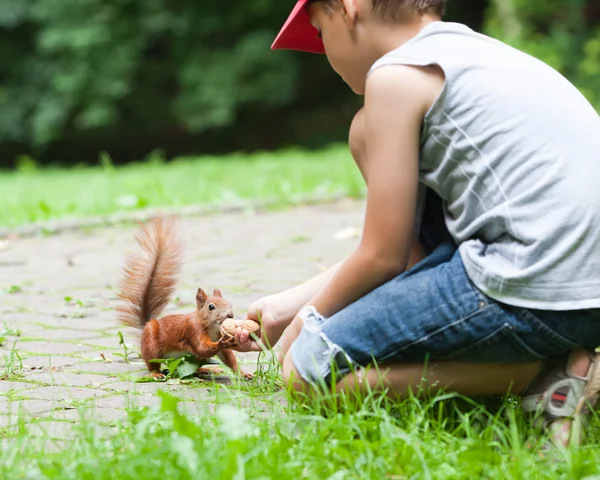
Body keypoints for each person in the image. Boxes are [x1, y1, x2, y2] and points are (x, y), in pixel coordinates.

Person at [232, 0, 600, 446]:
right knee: (364, 129)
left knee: (306, 375)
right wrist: (286, 306)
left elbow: (383, 258)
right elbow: (407, 256)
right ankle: (553, 362)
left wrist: (306, 324)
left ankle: (546, 375)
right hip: (584, 293)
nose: (323, 54)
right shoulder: (480, 57)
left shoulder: (394, 77)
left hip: (530, 286)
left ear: (347, 9)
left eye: (319, 33)